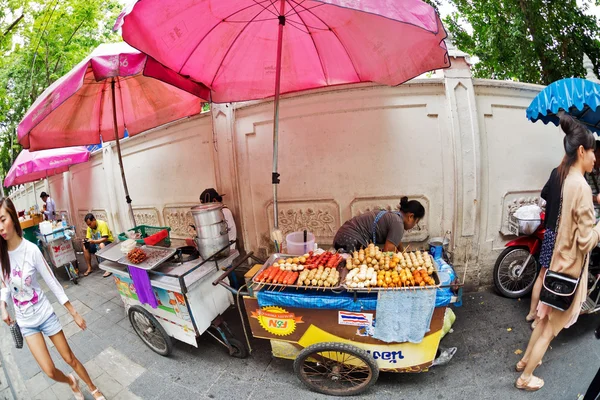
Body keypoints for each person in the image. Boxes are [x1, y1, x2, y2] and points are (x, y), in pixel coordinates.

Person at [515, 115, 600, 392]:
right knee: (549, 330)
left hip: (555, 265)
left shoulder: (565, 179)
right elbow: (586, 242)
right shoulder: (583, 188)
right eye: (593, 153)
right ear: (581, 151)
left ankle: (524, 361)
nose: (595, 159)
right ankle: (526, 376)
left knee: (542, 321)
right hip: (569, 273)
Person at [0, 198, 106, 400]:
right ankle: (71, 381)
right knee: (49, 371)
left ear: (13, 218)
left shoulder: (31, 250)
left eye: (2, 219)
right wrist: (3, 306)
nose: (0, 227)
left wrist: (74, 313)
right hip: (25, 322)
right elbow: (5, 286)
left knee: (69, 358)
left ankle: (92, 388)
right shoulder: (1, 255)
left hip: (45, 314)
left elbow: (52, 283)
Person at [526, 167, 561, 328]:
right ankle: (539, 319)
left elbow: (544, 193)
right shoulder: (575, 178)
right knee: (552, 279)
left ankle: (532, 312)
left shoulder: (556, 171)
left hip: (549, 230)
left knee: (542, 274)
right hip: (560, 234)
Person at [333, 197, 425, 252]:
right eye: (416, 222)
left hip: (342, 235)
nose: (414, 225)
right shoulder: (398, 223)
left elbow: (395, 240)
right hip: (350, 240)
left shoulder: (394, 216)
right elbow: (387, 252)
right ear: (411, 217)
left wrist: (402, 252)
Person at [586, 140, 600, 222]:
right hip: (591, 216)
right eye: (598, 155)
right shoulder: (585, 172)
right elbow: (580, 196)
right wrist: (596, 198)